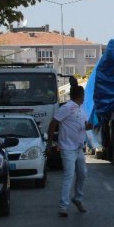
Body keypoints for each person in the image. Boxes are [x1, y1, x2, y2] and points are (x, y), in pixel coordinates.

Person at [47, 85, 92, 217]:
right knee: (69, 175)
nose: (84, 97)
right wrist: (49, 144)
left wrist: (89, 126)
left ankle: (77, 198)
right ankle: (63, 206)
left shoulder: (81, 109)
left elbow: (84, 125)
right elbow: (53, 123)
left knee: (83, 173)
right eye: (83, 95)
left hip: (78, 148)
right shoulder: (67, 107)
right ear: (80, 95)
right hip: (67, 148)